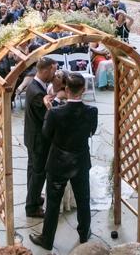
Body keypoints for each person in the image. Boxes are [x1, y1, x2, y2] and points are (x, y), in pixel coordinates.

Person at [29, 73, 98, 250]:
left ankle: (47, 239)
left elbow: (47, 133)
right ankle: (84, 232)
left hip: (59, 162)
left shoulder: (55, 112)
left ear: (66, 89)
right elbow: (91, 132)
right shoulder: (92, 111)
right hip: (80, 161)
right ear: (83, 90)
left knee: (53, 202)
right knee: (83, 199)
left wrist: (48, 109)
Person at [24, 56, 58, 218]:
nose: (55, 74)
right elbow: (47, 118)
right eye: (54, 70)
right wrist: (56, 102)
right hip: (38, 141)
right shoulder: (38, 93)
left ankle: (34, 197)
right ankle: (32, 207)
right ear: (45, 71)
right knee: (38, 174)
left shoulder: (35, 85)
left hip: (32, 137)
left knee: (33, 171)